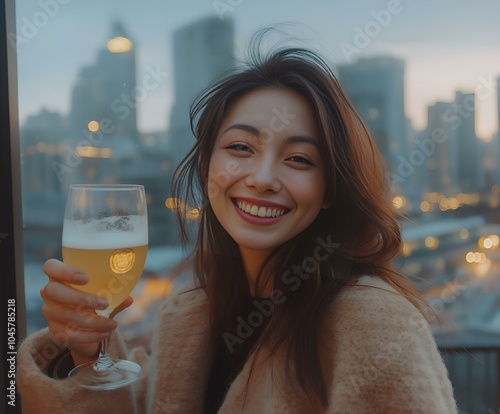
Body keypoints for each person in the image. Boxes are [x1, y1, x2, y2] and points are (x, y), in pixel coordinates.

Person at [17, 37, 458, 413]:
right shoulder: (188, 316)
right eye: (241, 147)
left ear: (329, 191)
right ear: (208, 166)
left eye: (299, 159)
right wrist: (86, 349)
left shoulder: (374, 323)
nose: (262, 178)